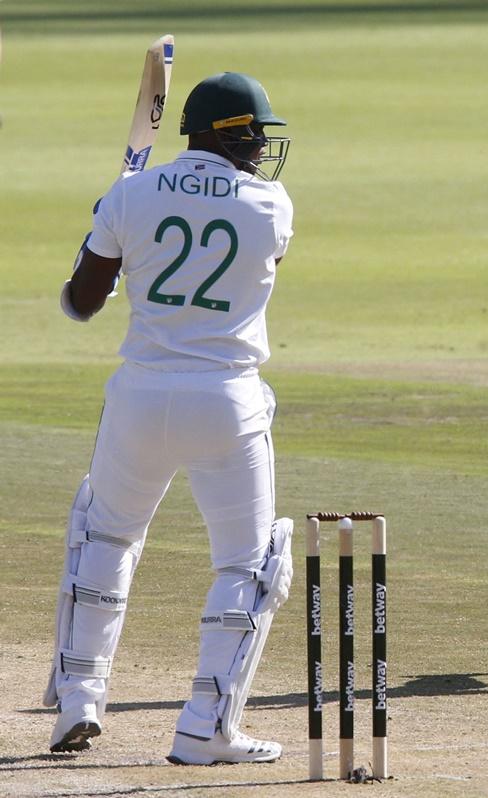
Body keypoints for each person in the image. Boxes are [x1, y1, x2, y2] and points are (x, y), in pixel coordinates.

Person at [46, 72, 296, 764]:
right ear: (229, 134)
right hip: (226, 398)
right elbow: (260, 260)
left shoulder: (130, 195)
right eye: (253, 134)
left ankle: (78, 701)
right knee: (249, 564)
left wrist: (105, 229)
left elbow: (82, 303)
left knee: (105, 539)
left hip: (140, 395)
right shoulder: (272, 206)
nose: (259, 147)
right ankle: (205, 726)